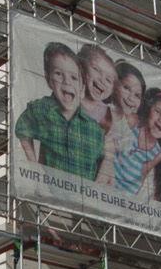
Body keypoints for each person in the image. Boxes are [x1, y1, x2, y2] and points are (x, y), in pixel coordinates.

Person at [13, 42, 105, 177]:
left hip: (83, 196)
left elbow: (100, 163)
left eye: (74, 77)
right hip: (50, 194)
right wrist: (34, 166)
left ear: (83, 88)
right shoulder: (41, 108)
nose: (66, 81)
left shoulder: (94, 130)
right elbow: (22, 127)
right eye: (58, 74)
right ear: (48, 80)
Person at [94, 62, 146, 185]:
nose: (130, 98)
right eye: (126, 88)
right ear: (115, 85)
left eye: (137, 95)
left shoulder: (128, 133)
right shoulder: (99, 110)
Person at [75, 44, 118, 126]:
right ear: (84, 67)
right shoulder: (73, 97)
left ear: (112, 90)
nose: (102, 80)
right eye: (96, 69)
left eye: (108, 80)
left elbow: (112, 136)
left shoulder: (107, 113)